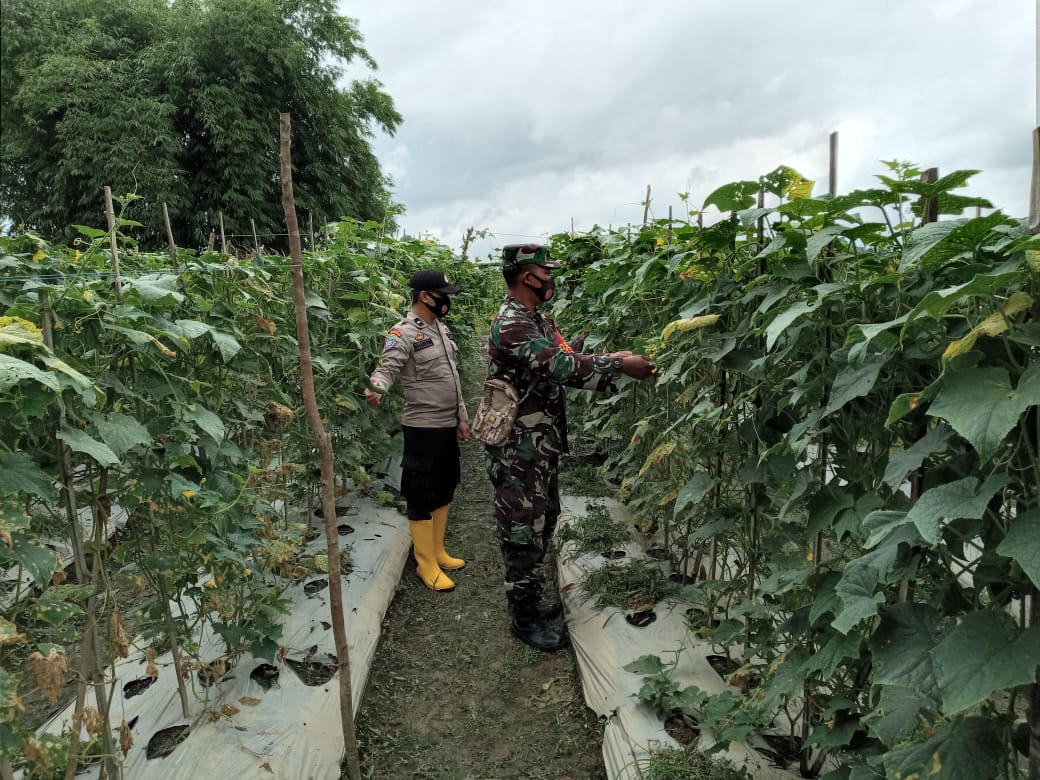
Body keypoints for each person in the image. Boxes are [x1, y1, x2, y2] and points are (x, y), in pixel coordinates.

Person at [485, 243, 654, 651]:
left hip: (540, 439)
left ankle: (530, 597)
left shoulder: (536, 319)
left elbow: (561, 356)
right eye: (547, 272)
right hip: (519, 444)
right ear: (529, 276)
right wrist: (619, 366)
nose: (551, 279)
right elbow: (559, 367)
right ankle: (523, 616)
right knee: (523, 527)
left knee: (545, 515)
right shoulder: (511, 324)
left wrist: (603, 355)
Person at [365, 268, 471, 592]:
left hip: (446, 425)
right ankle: (425, 564)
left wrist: (461, 416)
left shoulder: (441, 329)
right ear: (425, 296)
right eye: (443, 295)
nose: (446, 302)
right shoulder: (404, 333)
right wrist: (376, 387)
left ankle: (438, 551)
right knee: (421, 494)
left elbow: (452, 378)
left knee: (444, 485)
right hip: (422, 428)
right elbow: (387, 369)